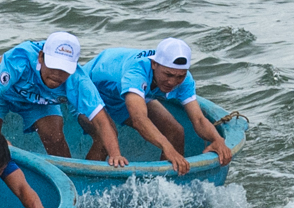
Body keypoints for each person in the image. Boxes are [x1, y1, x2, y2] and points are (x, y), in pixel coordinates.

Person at [0, 30, 127, 167]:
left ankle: (69, 181)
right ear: (41, 57)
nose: (57, 74)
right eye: (53, 66)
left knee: (54, 138)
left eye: (64, 70)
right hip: (2, 92)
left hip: (40, 98)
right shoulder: (21, 58)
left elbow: (101, 120)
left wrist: (115, 154)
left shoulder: (79, 81)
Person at [84, 38, 234, 175]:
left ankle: (168, 186)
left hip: (122, 95)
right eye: (168, 75)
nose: (172, 82)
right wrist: (168, 149)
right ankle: (85, 185)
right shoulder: (136, 73)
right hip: (90, 90)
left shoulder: (184, 79)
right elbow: (139, 119)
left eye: (179, 76)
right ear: (154, 64)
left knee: (175, 131)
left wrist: (217, 140)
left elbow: (199, 119)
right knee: (105, 137)